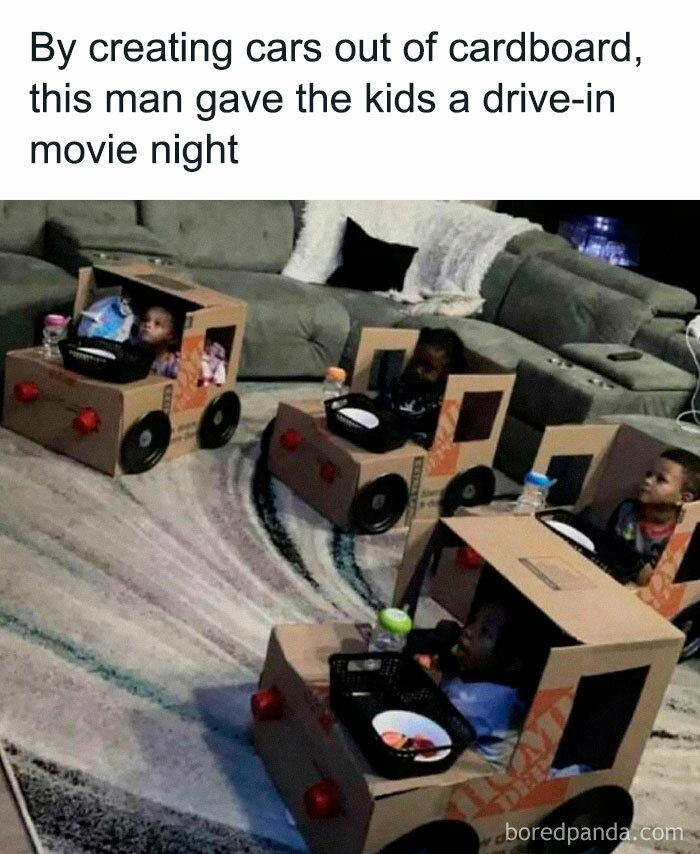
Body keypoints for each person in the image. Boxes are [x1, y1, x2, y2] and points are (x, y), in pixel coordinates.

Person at [407, 570, 550, 765]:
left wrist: (428, 674)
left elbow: (434, 721)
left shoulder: (481, 703)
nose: (469, 630)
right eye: (474, 620)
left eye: (485, 632)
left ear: (513, 662)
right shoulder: (488, 671)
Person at [608, 448, 700, 585]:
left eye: (661, 479)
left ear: (684, 498)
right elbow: (606, 547)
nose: (648, 481)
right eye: (649, 474)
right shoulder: (626, 512)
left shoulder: (685, 536)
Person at [378, 327, 467, 448]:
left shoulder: (441, 405)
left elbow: (438, 443)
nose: (417, 370)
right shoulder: (403, 385)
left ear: (448, 374)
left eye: (427, 367)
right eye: (415, 362)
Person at [138, 306, 180, 379]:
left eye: (157, 324)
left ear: (170, 334)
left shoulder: (173, 365)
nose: (147, 325)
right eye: (145, 320)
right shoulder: (135, 355)